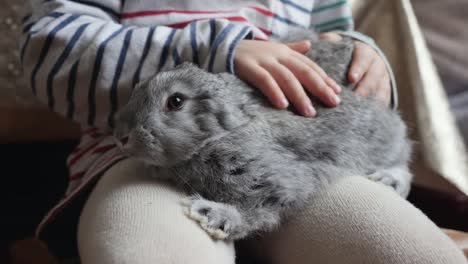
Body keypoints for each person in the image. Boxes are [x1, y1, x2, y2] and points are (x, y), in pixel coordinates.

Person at [20, 0, 466, 263]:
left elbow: (332, 40)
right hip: (138, 163)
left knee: (410, 251)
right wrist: (214, 49)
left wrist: (361, 59)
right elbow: (51, 52)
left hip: (297, 163)